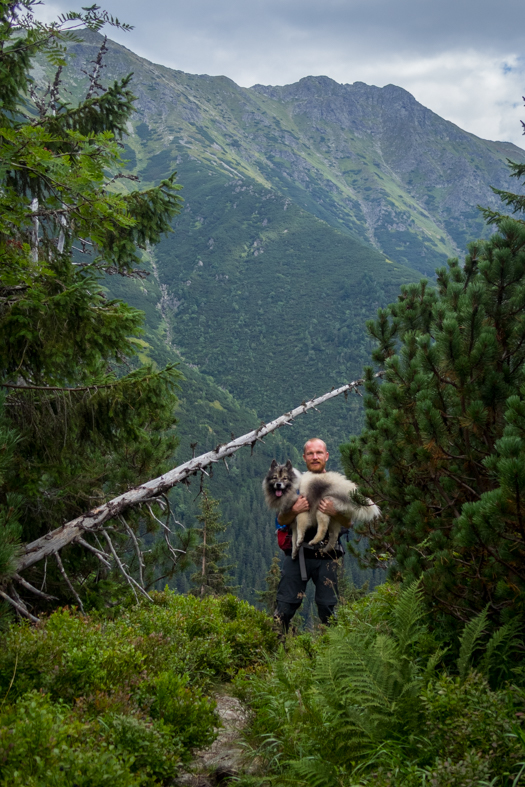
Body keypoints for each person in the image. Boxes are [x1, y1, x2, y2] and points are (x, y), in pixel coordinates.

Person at [274, 438, 351, 630]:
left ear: (326, 456)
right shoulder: (295, 484)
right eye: (310, 453)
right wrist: (295, 509)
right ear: (304, 457)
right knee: (284, 607)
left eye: (318, 453)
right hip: (297, 553)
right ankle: (274, 652)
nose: (315, 457)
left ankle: (330, 656)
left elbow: (348, 522)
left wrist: (335, 512)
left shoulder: (337, 484)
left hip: (328, 556)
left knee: (329, 610)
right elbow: (280, 520)